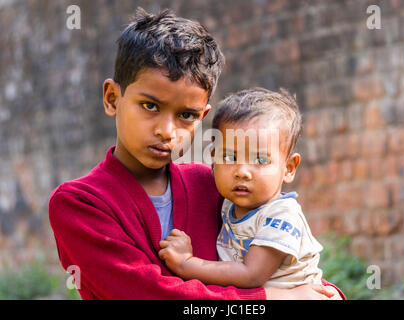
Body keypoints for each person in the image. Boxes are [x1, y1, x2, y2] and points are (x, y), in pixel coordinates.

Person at [48, 8, 344, 299]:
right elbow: (150, 295)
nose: (167, 130)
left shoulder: (214, 185)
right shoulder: (79, 204)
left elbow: (299, 275)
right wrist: (270, 299)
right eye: (150, 106)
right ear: (113, 98)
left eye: (186, 115)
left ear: (202, 116)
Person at [158, 87, 333, 291]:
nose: (242, 172)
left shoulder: (281, 216)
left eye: (260, 160)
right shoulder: (228, 205)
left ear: (288, 168)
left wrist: (186, 263)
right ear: (214, 159)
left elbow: (251, 275)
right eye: (230, 157)